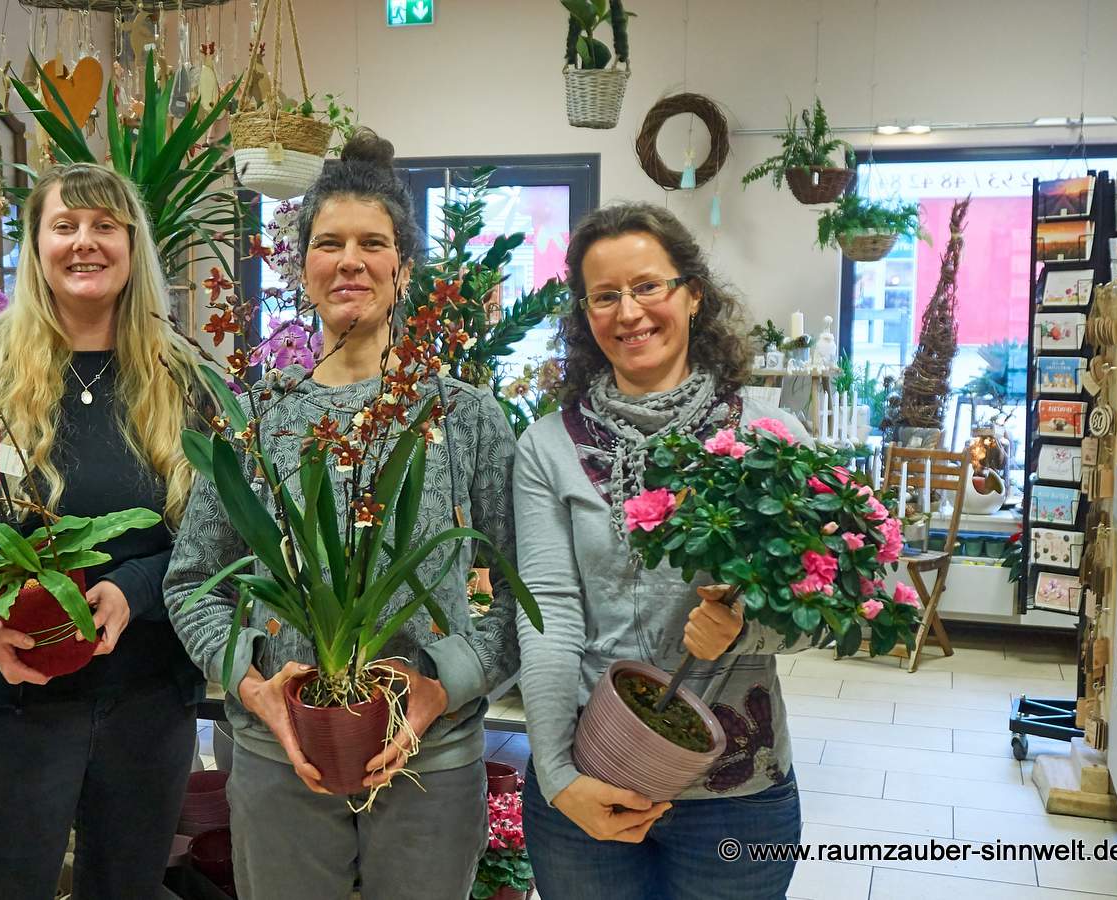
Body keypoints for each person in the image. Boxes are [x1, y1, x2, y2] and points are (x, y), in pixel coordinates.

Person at [163, 129, 520, 899]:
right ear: (302, 268)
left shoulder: (462, 416)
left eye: (372, 242)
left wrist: (443, 685)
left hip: (432, 760)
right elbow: (193, 584)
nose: (349, 260)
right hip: (278, 750)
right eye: (328, 242)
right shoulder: (257, 419)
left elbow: (527, 593)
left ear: (405, 267)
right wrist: (252, 680)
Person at [0, 163, 201, 899]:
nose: (84, 243)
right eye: (65, 226)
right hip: (3, 699)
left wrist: (132, 590)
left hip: (145, 700)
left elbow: (213, 539)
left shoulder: (181, 378)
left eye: (104, 227)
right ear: (36, 246)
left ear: (133, 246)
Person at [514, 203, 813, 900]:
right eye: (606, 295)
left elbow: (822, 608)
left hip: (737, 794)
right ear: (584, 314)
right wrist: (559, 778)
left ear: (693, 293)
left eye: (649, 286)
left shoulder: (769, 435)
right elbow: (548, 616)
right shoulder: (549, 449)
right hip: (589, 781)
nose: (630, 312)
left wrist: (748, 627)